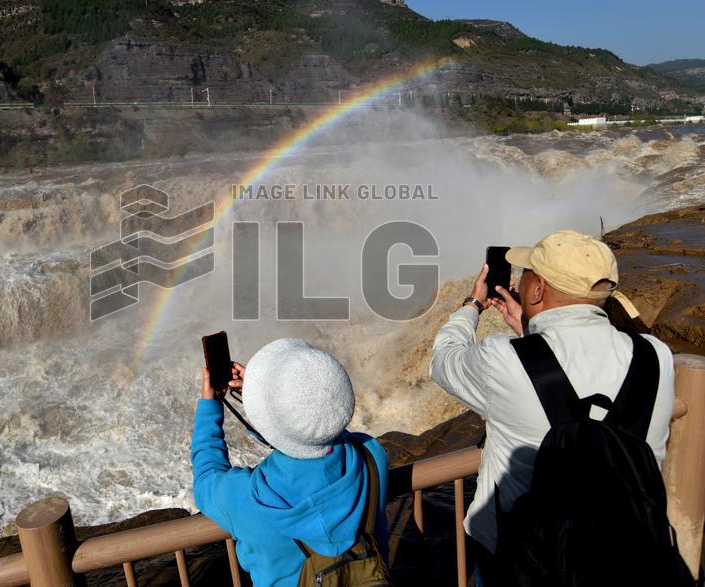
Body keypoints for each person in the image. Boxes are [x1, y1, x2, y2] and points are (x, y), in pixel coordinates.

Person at [429, 230, 675, 582]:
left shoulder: (504, 359)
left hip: (524, 565)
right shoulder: (656, 355)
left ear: (538, 289)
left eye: (525, 274)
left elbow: (443, 360)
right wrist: (531, 335)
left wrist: (472, 305)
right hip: (626, 558)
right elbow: (586, 369)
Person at [191, 337, 390, 586]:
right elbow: (327, 432)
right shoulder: (372, 458)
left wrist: (213, 405)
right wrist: (269, 397)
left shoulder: (247, 497)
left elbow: (206, 476)